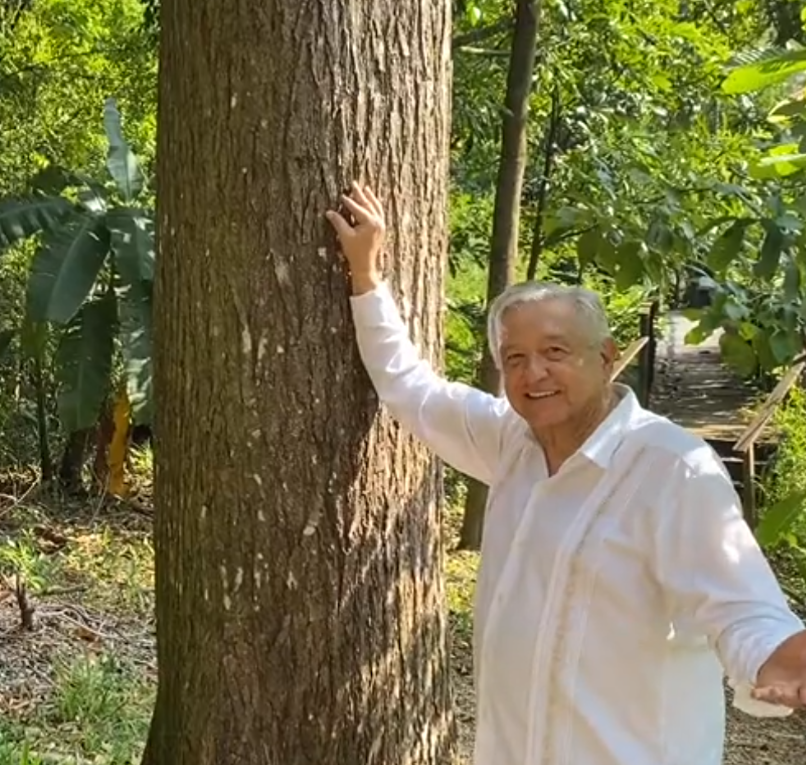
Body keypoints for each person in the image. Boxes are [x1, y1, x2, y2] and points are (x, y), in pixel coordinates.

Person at [325, 182, 806, 765]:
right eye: (515, 358)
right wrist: (366, 278)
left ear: (604, 358)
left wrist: (780, 657)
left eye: (556, 352)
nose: (534, 374)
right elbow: (411, 389)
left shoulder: (672, 469)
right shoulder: (512, 444)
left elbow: (741, 606)